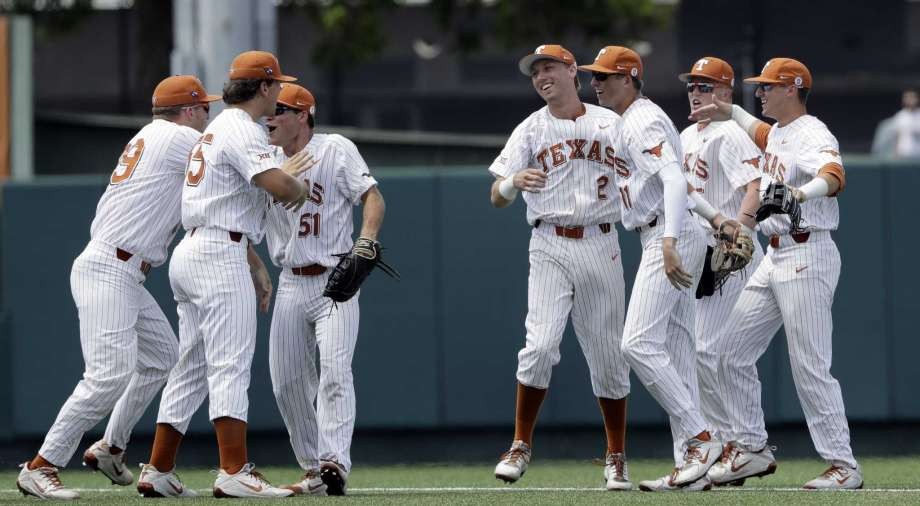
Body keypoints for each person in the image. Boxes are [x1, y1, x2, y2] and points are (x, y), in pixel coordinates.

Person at [15, 76, 219, 500]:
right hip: (111, 264)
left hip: (124, 268)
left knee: (163, 356)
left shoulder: (153, 136)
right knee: (107, 375)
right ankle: (41, 465)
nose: (208, 115)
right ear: (187, 110)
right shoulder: (177, 136)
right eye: (204, 108)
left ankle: (110, 446)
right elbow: (225, 159)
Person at [135, 50, 316, 499]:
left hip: (198, 249)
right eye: (276, 85)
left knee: (191, 367)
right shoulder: (240, 126)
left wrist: (254, 263)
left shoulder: (217, 127)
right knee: (229, 363)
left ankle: (158, 468)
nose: (278, 93)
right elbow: (280, 188)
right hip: (218, 252)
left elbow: (241, 193)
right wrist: (298, 184)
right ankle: (233, 469)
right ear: (265, 88)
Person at [689, 57, 861, 490]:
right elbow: (760, 131)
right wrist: (726, 110)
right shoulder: (780, 132)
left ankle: (843, 465)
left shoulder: (813, 132)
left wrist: (801, 192)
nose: (760, 92)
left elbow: (835, 175)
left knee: (810, 366)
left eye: (768, 86)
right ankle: (750, 448)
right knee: (730, 352)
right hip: (775, 255)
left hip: (809, 251)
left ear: (792, 88)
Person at [579, 46, 743, 492]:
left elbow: (672, 180)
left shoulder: (642, 120)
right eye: (595, 76)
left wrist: (670, 240)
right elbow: (680, 182)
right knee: (677, 352)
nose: (596, 83)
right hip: (668, 230)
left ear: (629, 78)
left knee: (637, 343)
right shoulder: (627, 120)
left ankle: (701, 438)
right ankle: (690, 469)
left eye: (606, 76)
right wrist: (713, 217)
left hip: (667, 235)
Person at [489, 44, 633, 491]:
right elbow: (496, 194)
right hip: (548, 241)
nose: (541, 76)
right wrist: (512, 182)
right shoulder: (530, 129)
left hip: (602, 240)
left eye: (549, 67)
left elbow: (649, 170)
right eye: (535, 71)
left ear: (573, 70)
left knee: (609, 356)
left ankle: (616, 455)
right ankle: (520, 444)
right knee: (539, 345)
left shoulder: (611, 122)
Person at [262, 83, 386, 496]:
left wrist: (366, 238)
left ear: (303, 115)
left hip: (335, 279)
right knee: (285, 382)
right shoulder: (262, 159)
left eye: (279, 110)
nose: (270, 117)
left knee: (335, 370)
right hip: (290, 282)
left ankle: (334, 460)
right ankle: (313, 468)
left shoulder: (336, 148)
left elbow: (371, 196)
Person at [677, 56, 764, 480]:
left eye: (706, 86)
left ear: (727, 94)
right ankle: (731, 445)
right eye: (693, 86)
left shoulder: (729, 133)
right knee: (704, 355)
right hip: (703, 253)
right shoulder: (685, 134)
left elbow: (755, 185)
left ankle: (741, 444)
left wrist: (742, 231)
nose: (696, 92)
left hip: (732, 253)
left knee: (716, 353)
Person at [893, 89, 920, 158]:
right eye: (907, 98)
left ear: (917, 99)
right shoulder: (900, 116)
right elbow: (897, 135)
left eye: (912, 97)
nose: (910, 100)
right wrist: (895, 152)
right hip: (903, 153)